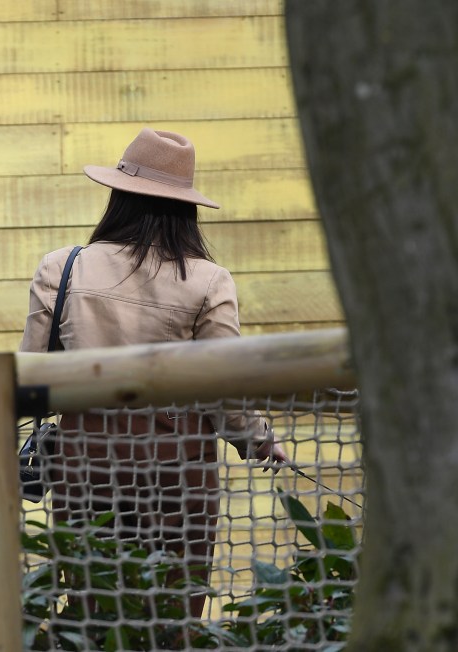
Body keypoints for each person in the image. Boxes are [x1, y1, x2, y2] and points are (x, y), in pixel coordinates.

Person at [19, 127, 289, 619]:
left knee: (91, 602)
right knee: (173, 608)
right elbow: (221, 387)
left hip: (87, 458)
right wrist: (258, 438)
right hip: (176, 467)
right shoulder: (208, 281)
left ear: (118, 196)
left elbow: (30, 384)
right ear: (186, 209)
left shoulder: (62, 268)